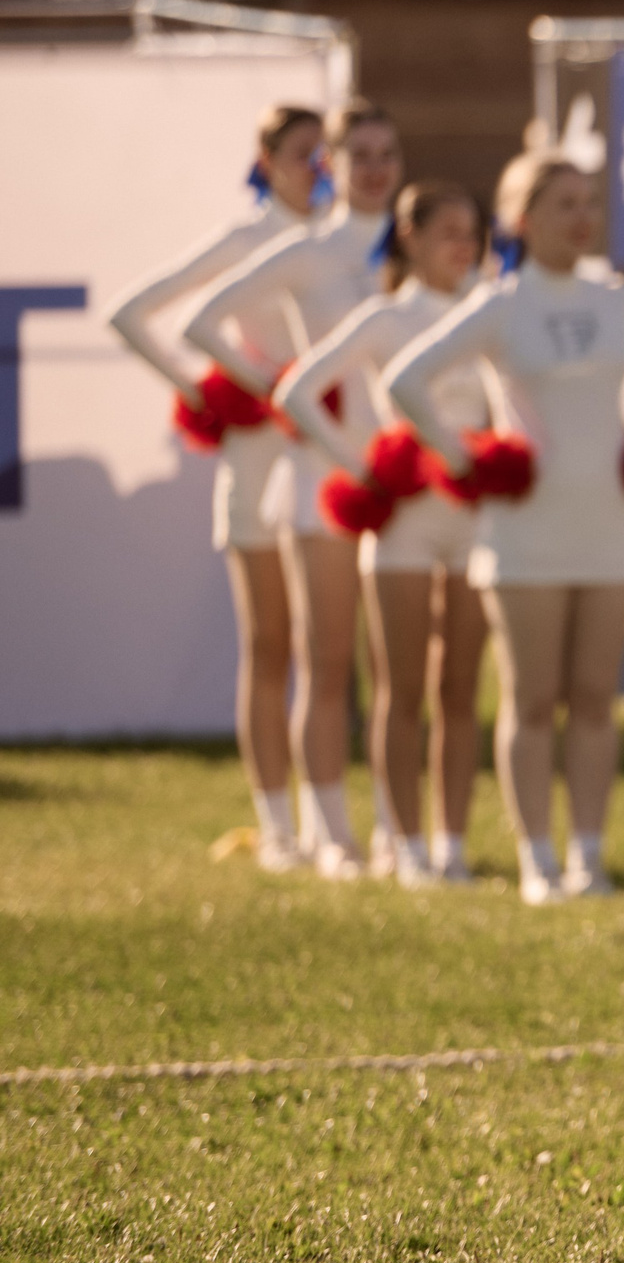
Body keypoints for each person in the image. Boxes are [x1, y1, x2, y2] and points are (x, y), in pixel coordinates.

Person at [386, 152, 624, 906]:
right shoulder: (501, 306)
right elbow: (405, 381)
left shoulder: (616, 300)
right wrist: (467, 460)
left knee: (595, 698)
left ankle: (590, 854)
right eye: (563, 205)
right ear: (522, 219)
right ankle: (536, 859)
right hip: (523, 533)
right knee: (532, 698)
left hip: (609, 526)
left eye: (588, 203)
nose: (583, 218)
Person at [181, 100, 404, 880]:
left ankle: (397, 835)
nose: (376, 168)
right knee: (324, 658)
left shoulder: (411, 245)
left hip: (405, 481)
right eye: (359, 154)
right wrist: (267, 389)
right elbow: (202, 323)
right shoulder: (304, 252)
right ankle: (325, 832)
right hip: (324, 479)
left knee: (397, 668)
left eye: (388, 153)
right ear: (328, 166)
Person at [104, 103, 324, 873]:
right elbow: (133, 315)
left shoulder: (344, 246)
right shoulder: (245, 242)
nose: (318, 166)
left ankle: (335, 824)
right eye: (303, 153)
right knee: (270, 645)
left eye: (324, 152)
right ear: (265, 159)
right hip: (260, 459)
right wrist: (224, 391)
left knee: (330, 650)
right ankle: (277, 825)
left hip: (327, 464)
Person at [274, 182, 493, 889]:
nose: (464, 244)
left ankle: (452, 843)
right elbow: (298, 392)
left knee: (460, 689)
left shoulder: (490, 313)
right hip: (401, 522)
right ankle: (403, 843)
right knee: (399, 689)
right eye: (448, 231)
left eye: (473, 231)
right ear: (411, 238)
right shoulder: (383, 318)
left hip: (474, 523)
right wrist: (365, 469)